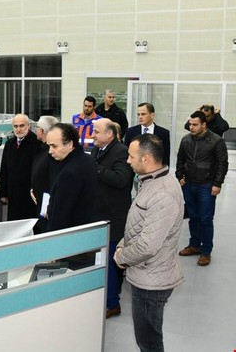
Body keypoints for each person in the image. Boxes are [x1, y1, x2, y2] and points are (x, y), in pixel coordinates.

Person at [114, 134, 184, 352]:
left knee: (149, 343)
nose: (128, 161)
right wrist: (123, 244)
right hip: (146, 273)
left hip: (151, 282)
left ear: (146, 159)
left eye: (131, 156)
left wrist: (122, 256)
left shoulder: (163, 193)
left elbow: (147, 245)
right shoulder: (150, 181)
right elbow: (139, 226)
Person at [90, 118, 133, 318]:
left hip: (113, 216)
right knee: (101, 259)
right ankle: (104, 296)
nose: (92, 135)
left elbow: (121, 179)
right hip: (98, 213)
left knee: (110, 260)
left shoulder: (121, 151)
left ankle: (112, 303)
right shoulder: (97, 150)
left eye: (96, 131)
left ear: (109, 134)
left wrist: (96, 169)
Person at [176, 111, 229, 266]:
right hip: (189, 184)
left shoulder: (216, 141)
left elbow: (222, 163)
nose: (191, 127)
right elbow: (180, 159)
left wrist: (217, 183)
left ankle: (206, 251)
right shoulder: (186, 140)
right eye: (190, 124)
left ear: (204, 125)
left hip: (207, 185)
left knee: (205, 219)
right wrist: (179, 175)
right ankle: (194, 245)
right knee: (193, 217)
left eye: (195, 125)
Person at [45, 123, 98, 232]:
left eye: (54, 146)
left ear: (69, 144)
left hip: (69, 234)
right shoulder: (87, 159)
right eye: (48, 146)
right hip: (85, 230)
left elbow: (60, 214)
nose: (50, 151)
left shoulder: (69, 172)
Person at [0, 114, 42, 221]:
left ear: (28, 126)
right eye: (15, 126)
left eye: (22, 126)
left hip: (29, 196)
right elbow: (4, 169)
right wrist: (3, 193)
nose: (18, 129)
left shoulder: (37, 144)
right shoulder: (9, 144)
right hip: (13, 193)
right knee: (14, 224)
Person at [30, 115, 59, 233]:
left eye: (37, 127)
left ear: (41, 131)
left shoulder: (52, 153)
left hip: (46, 203)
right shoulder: (41, 149)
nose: (35, 130)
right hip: (39, 200)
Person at [124, 102, 171, 166]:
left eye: (143, 114)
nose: (140, 117)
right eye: (138, 114)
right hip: (134, 169)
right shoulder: (131, 131)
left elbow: (165, 156)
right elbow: (126, 153)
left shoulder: (163, 133)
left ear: (152, 115)